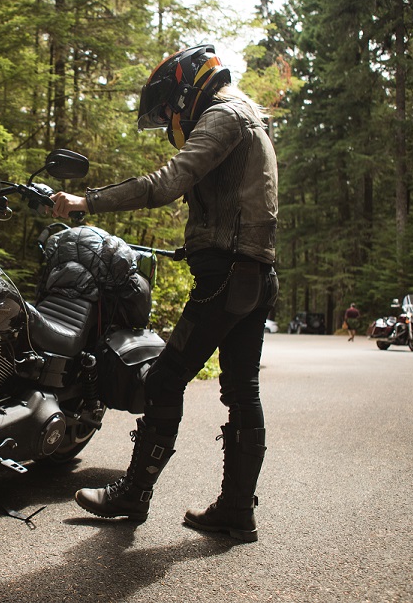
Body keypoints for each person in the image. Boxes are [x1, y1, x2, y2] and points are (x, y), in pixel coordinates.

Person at [51, 44, 278, 542]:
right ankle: (237, 511)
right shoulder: (248, 115)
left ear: (187, 88)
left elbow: (169, 181)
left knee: (162, 379)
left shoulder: (222, 116)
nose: (173, 120)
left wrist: (86, 201)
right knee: (243, 393)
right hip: (254, 276)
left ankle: (133, 496)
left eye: (171, 109)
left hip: (226, 277)